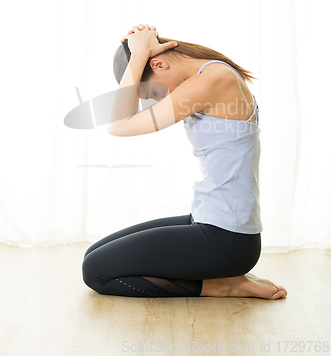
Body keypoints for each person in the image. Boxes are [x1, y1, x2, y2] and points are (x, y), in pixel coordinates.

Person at [82, 24, 287, 300]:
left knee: (95, 270)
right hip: (211, 222)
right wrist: (137, 53)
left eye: (153, 93)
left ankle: (224, 284)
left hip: (227, 239)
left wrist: (139, 53)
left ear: (158, 63)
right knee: (94, 254)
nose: (158, 99)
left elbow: (118, 125)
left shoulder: (214, 81)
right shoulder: (210, 75)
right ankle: (226, 275)